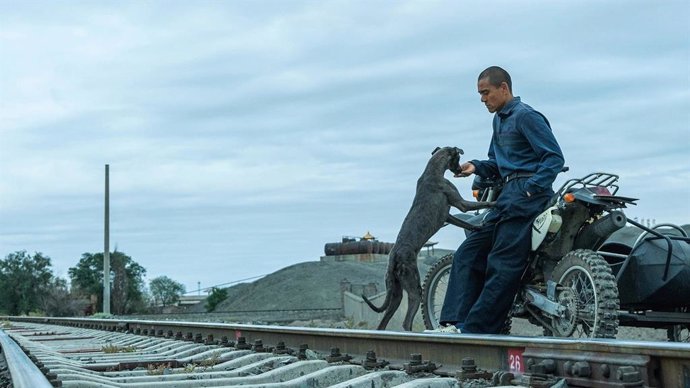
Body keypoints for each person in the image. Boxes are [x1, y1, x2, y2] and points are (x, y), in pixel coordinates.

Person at [437, 66, 565, 334]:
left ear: (503, 88)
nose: (482, 99)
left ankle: (476, 330)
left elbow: (554, 158)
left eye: (486, 92)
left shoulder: (526, 116)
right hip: (505, 195)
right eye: (480, 94)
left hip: (527, 196)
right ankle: (453, 323)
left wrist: (531, 189)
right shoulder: (499, 120)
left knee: (502, 262)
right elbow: (496, 163)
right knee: (468, 252)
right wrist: (475, 166)